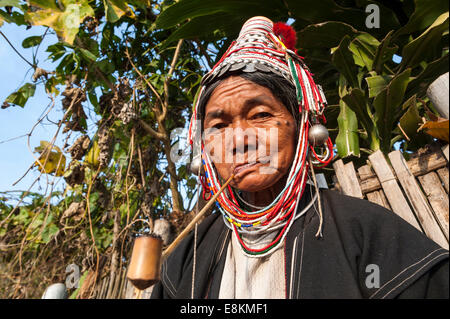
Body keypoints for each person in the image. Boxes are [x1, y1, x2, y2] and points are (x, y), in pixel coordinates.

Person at [150, 16, 449, 299]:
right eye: (219, 125)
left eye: (261, 115)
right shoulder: (185, 257)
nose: (239, 140)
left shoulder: (370, 233)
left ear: (302, 127)